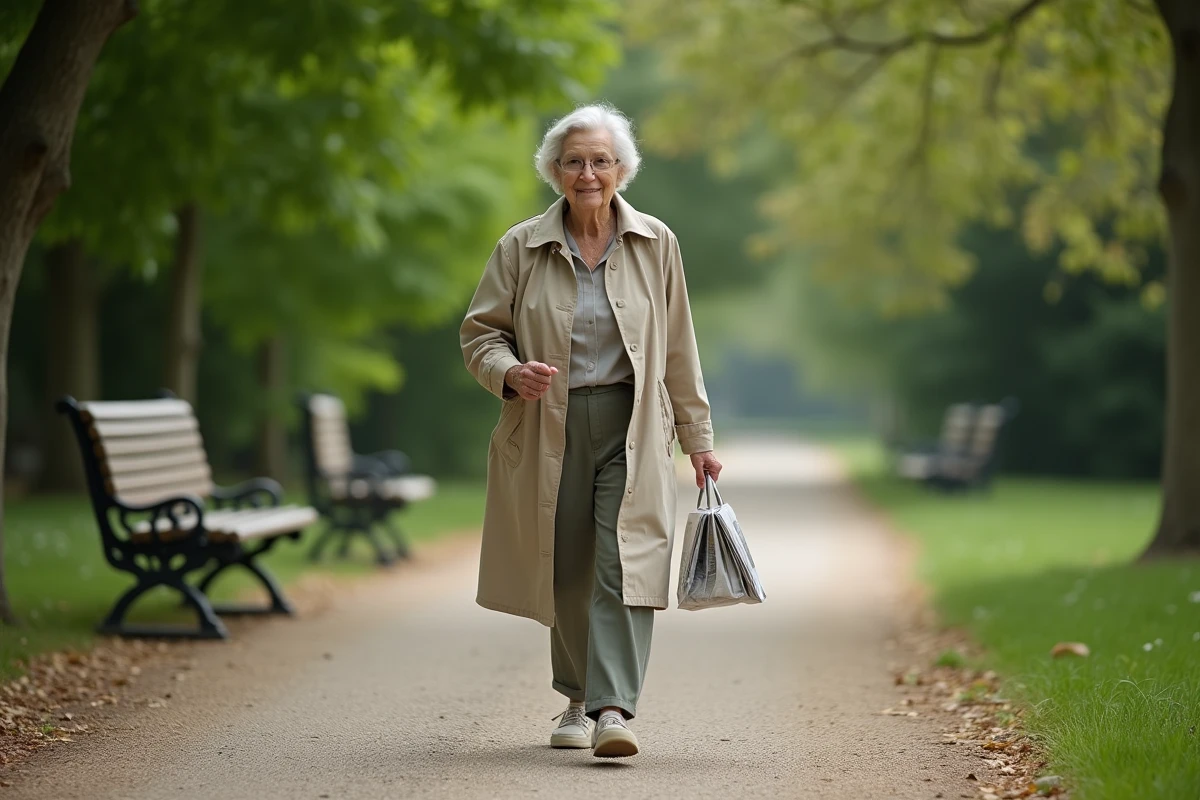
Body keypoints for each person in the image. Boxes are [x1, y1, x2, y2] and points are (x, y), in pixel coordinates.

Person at [460, 104, 721, 759]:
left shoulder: (656, 242)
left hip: (631, 425)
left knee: (622, 561)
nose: (587, 173)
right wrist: (510, 371)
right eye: (574, 161)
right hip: (549, 422)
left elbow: (679, 348)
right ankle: (575, 699)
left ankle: (611, 710)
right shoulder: (521, 246)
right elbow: (480, 334)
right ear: (554, 170)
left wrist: (699, 438)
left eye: (600, 160)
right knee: (567, 567)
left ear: (622, 169)